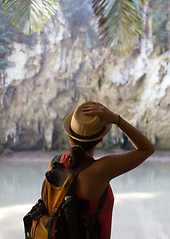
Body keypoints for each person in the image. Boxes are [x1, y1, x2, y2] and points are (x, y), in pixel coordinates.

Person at [47, 101, 155, 239]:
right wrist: (117, 120)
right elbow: (147, 149)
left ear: (69, 137)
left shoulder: (54, 163)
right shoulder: (100, 170)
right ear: (100, 140)